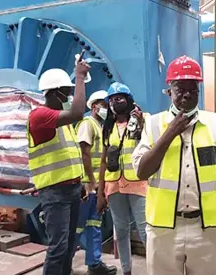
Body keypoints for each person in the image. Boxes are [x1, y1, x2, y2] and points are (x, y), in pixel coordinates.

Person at [132, 55, 216, 275]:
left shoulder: (215, 124)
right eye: (179, 88)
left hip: (205, 228)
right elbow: (142, 172)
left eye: (192, 89)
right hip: (163, 229)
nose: (185, 94)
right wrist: (170, 133)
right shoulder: (154, 125)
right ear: (169, 90)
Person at [27, 55, 90, 275]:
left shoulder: (61, 121)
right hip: (55, 193)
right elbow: (78, 112)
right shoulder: (40, 116)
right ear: (54, 92)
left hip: (70, 190)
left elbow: (69, 155)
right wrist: (79, 76)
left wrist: (80, 182)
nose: (70, 95)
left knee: (69, 246)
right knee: (58, 247)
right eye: (67, 90)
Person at [96, 82, 147, 275]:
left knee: (144, 230)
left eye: (120, 98)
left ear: (129, 100)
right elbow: (102, 161)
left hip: (138, 184)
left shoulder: (143, 121)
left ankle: (156, 268)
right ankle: (126, 271)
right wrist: (100, 192)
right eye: (112, 99)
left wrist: (140, 122)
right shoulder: (107, 128)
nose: (116, 102)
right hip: (114, 186)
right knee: (122, 229)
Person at [74, 90, 117, 275]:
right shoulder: (87, 124)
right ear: (94, 106)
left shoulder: (101, 126)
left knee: (94, 224)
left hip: (97, 186)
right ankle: (63, 260)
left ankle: (94, 263)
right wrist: (91, 182)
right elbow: (84, 153)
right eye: (103, 105)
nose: (106, 108)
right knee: (77, 226)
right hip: (86, 186)